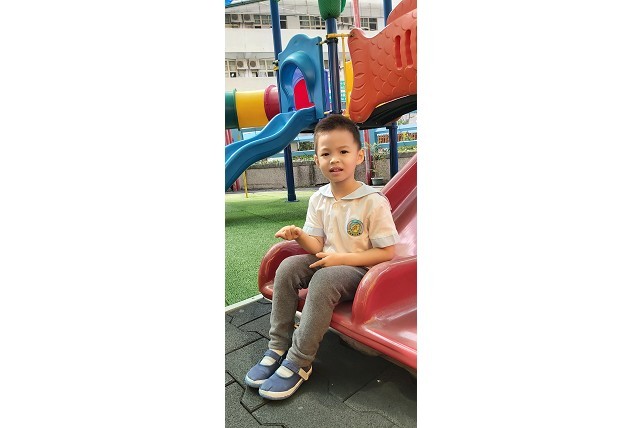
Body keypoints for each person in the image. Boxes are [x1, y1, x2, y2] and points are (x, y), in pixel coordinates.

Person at [244, 114, 399, 400]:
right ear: (317, 160)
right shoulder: (319, 198)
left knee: (324, 279)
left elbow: (387, 253)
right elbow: (316, 245)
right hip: (328, 261)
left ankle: (299, 361)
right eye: (326, 154)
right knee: (288, 266)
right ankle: (278, 344)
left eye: (343, 152)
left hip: (360, 271)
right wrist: (298, 235)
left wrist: (340, 259)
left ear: (359, 156)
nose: (334, 159)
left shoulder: (373, 202)